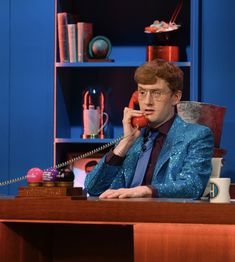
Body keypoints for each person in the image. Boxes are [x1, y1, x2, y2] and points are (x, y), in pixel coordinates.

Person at [84, 59, 214, 199]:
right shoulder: (132, 138)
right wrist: (125, 144)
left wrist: (147, 191)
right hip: (123, 217)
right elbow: (93, 188)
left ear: (175, 97)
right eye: (142, 93)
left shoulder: (197, 136)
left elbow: (192, 187)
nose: (147, 102)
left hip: (162, 218)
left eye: (156, 93)